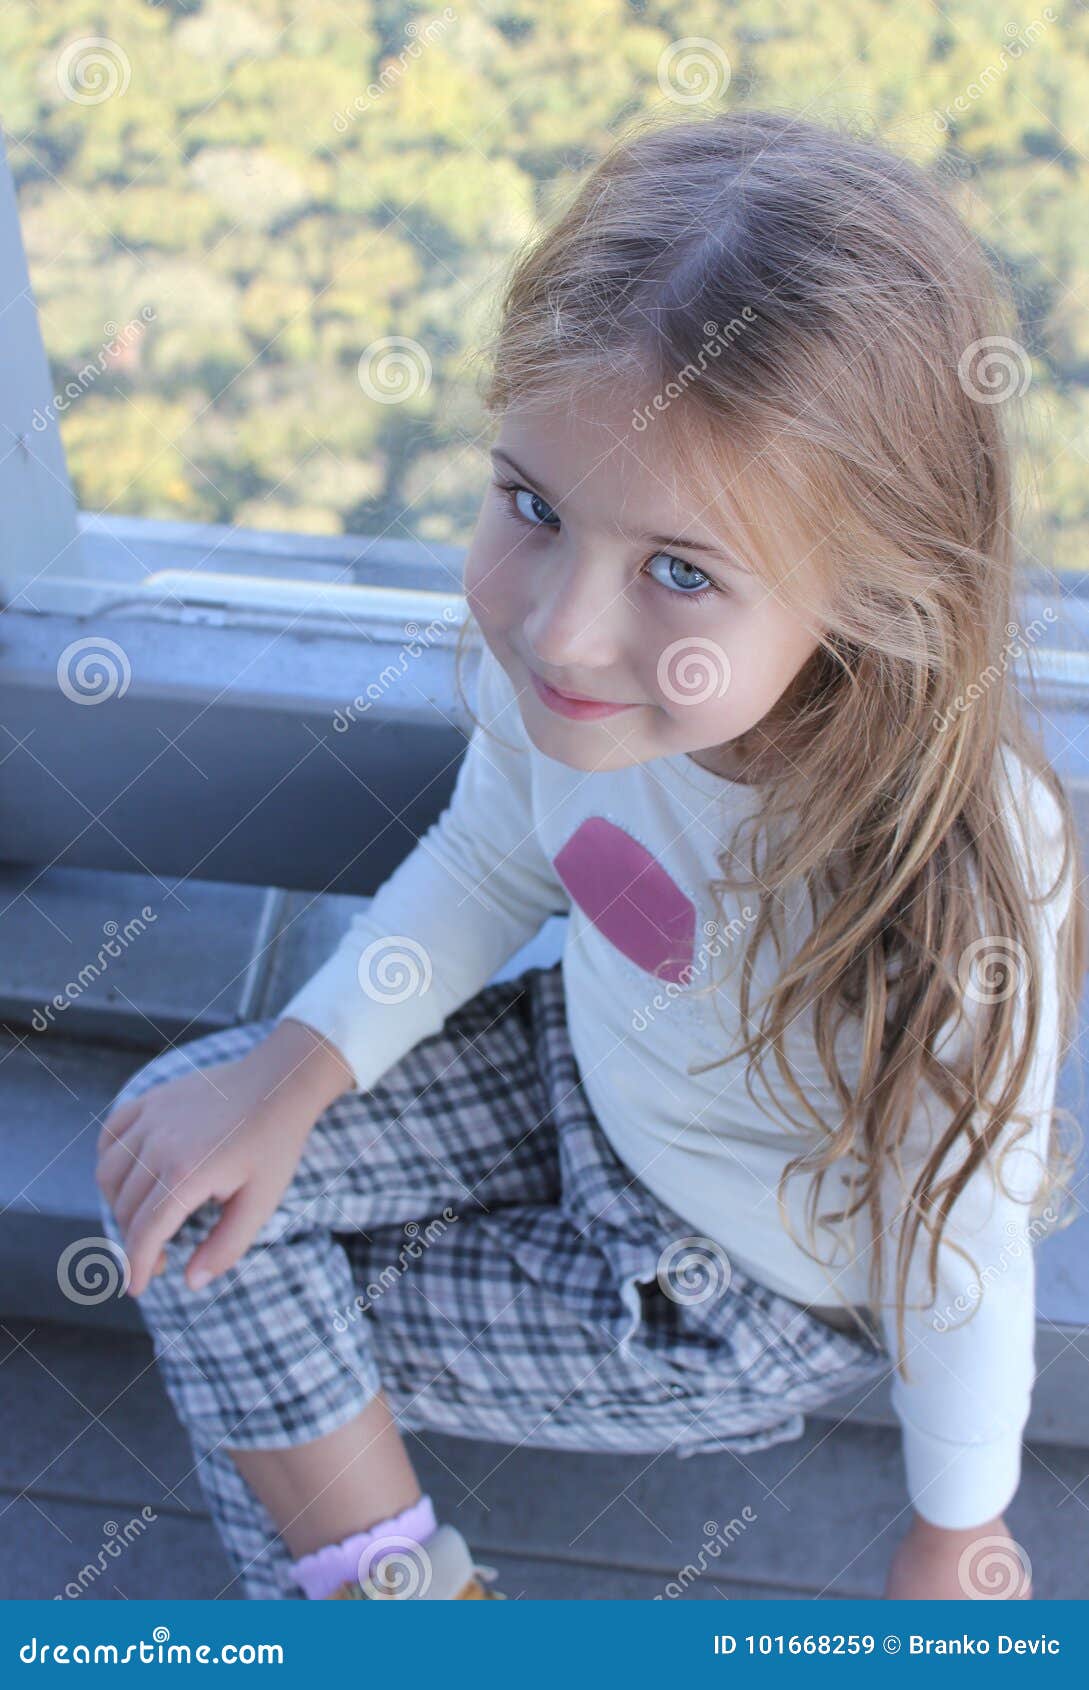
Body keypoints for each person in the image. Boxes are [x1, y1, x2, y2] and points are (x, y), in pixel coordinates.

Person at [96, 108, 1085, 1602]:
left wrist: (956, 1523)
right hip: (581, 1076)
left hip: (733, 1290)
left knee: (230, 1285)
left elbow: (955, 1241)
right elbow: (496, 854)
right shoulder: (577, 682)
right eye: (531, 505)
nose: (558, 628)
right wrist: (292, 1073)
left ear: (874, 584)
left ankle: (391, 1607)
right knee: (179, 1146)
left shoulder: (949, 865)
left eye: (679, 570)